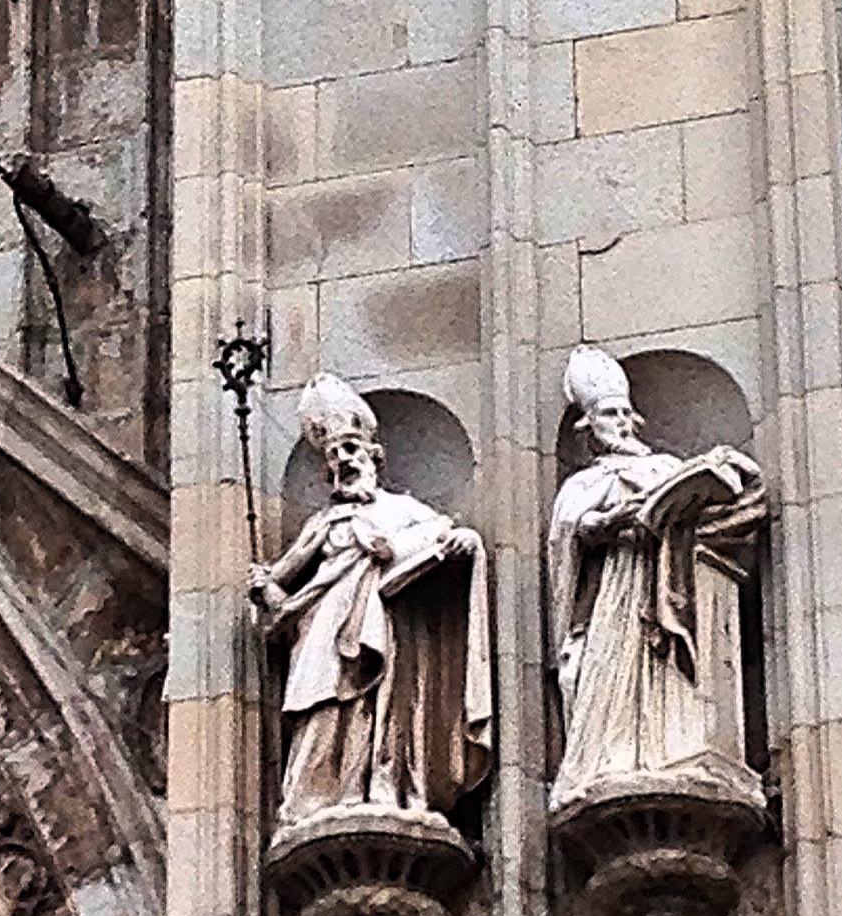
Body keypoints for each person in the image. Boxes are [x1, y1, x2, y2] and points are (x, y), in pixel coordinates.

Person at [247, 376, 492, 833]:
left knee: (386, 710)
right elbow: (282, 576)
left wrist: (461, 542)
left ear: (373, 457)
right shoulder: (325, 522)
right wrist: (263, 585)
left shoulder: (406, 511)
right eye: (335, 456)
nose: (344, 461)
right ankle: (315, 800)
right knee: (325, 709)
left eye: (352, 452)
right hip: (323, 630)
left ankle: (388, 785)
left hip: (389, 632)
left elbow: (443, 540)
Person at [544, 347, 766, 813]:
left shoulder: (662, 467)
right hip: (614, 591)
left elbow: (712, 507)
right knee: (603, 670)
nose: (621, 422)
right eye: (609, 414)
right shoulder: (580, 486)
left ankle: (668, 750)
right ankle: (611, 761)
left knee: (659, 666)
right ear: (589, 428)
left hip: (665, 578)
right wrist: (611, 520)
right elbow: (571, 537)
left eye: (626, 413)